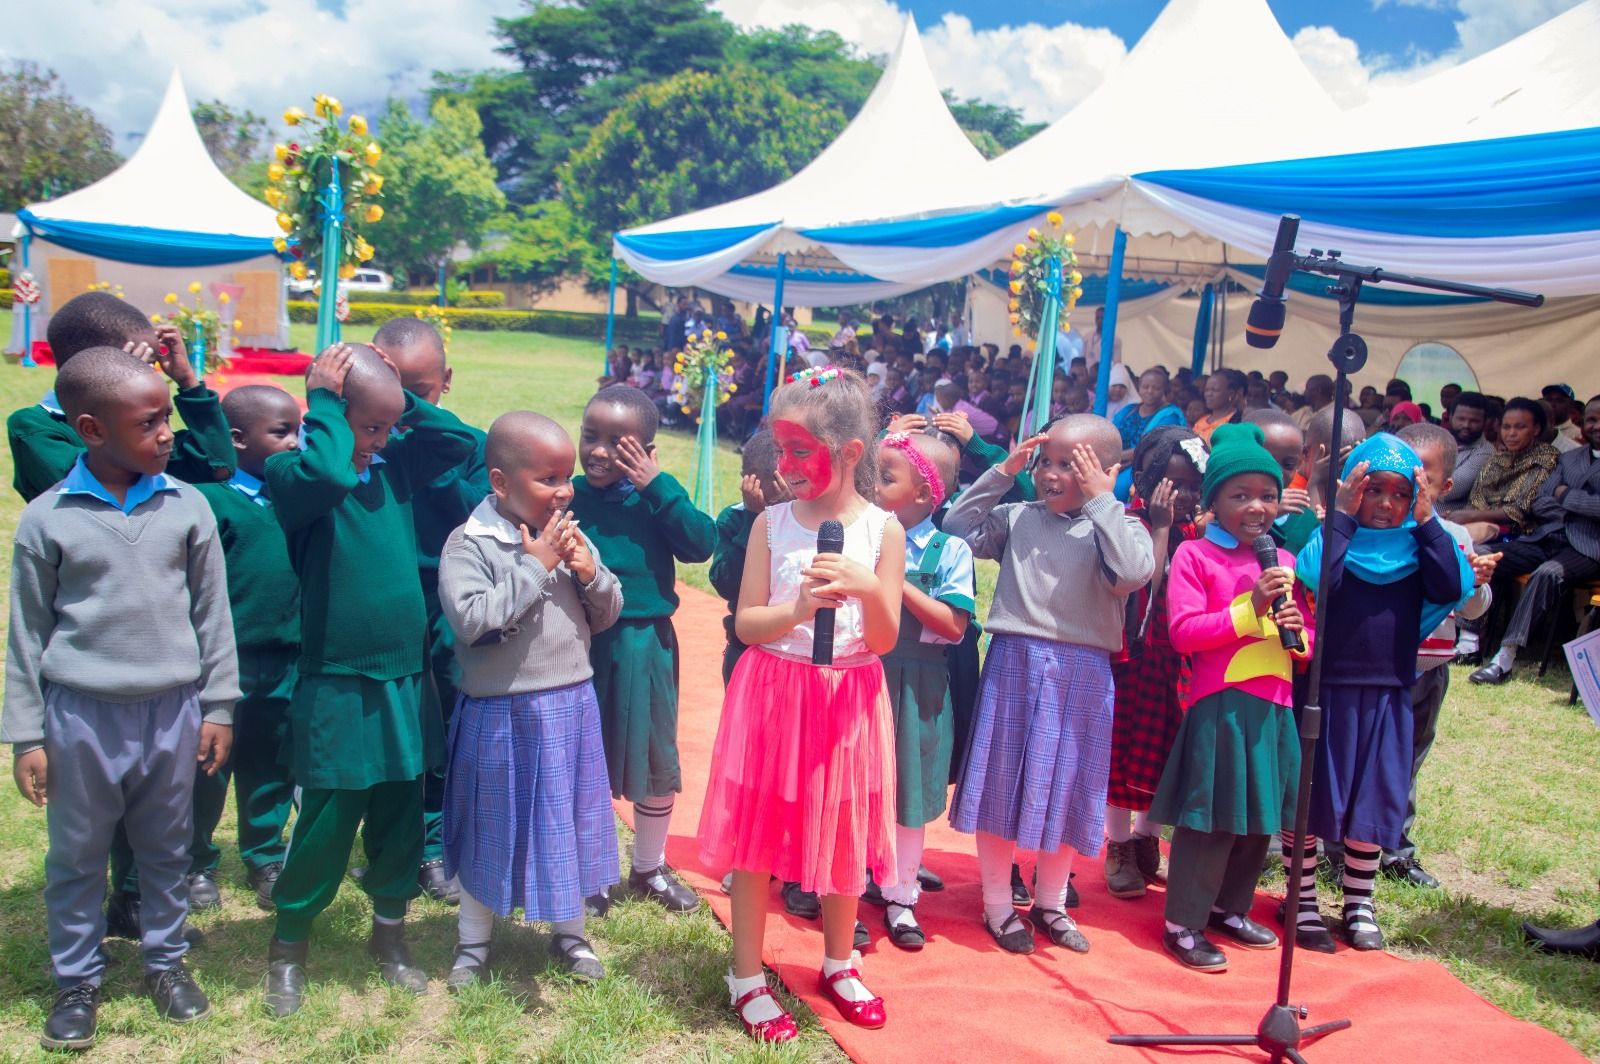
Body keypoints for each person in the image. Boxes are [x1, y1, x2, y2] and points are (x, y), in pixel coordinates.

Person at [5, 347, 239, 1051]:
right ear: (92, 430)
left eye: (166, 416)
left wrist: (220, 705)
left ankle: (166, 962)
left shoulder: (186, 505)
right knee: (76, 855)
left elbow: (213, 614)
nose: (167, 433)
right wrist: (27, 735)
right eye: (149, 422)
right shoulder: (49, 520)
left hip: (172, 712)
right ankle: (76, 979)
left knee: (165, 850)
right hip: (82, 716)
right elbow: (26, 634)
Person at [261, 344, 478, 1016]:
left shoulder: (398, 470)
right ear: (326, 415)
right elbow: (327, 473)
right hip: (337, 683)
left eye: (388, 428)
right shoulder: (293, 474)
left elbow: (462, 441)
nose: (378, 441)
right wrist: (325, 402)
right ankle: (289, 946)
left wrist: (395, 400)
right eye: (368, 426)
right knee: (327, 820)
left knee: (399, 814)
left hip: (406, 681)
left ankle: (389, 935)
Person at [697, 365, 905, 1042]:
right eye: (779, 450)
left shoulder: (884, 532)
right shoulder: (772, 526)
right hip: (775, 694)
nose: (782, 465)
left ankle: (840, 963)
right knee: (756, 839)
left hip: (850, 699)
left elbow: (884, 638)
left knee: (844, 832)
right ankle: (747, 977)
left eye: (798, 451)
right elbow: (746, 626)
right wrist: (795, 608)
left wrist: (866, 586)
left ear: (848, 453)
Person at [946, 415, 1155, 956]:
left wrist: (1104, 502)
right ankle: (997, 904)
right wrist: (1002, 471)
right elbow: (955, 526)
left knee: (1069, 789)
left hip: (1085, 675)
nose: (1053, 475)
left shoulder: (1121, 529)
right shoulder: (1019, 517)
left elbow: (1132, 573)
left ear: (1107, 472)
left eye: (1073, 464)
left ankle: (1052, 901)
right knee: (1000, 783)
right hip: (1016, 662)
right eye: (1047, 462)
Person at [437, 411, 623, 988]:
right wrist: (537, 564)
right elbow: (472, 619)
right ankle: (472, 944)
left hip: (570, 707)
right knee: (490, 825)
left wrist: (588, 571)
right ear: (500, 482)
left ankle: (570, 934)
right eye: (548, 478)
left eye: (565, 477)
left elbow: (608, 610)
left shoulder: (568, 534)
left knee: (564, 822)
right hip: (500, 712)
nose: (564, 490)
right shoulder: (470, 544)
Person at [1288, 434, 1470, 953]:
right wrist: (1341, 516)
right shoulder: (1335, 537)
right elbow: (1315, 573)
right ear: (1354, 492)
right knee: (1308, 798)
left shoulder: (1420, 545)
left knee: (1370, 800)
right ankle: (1301, 900)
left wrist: (1430, 520)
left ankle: (1358, 903)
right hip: (1326, 692)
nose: (1386, 504)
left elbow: (1450, 585)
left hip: (1389, 692)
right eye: (1373, 491)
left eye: (1399, 493)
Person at [1148, 424, 1311, 970]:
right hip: (1221, 709)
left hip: (1275, 708)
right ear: (1214, 500)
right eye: (1240, 496)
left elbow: (1303, 645)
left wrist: (1298, 631)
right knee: (1212, 818)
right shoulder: (1195, 556)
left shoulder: (1284, 563)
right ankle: (1182, 922)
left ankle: (1228, 907)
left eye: (1267, 495)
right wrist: (1250, 608)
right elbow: (1185, 633)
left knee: (1260, 818)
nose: (1257, 508)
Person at [571, 385, 717, 913]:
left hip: (644, 643)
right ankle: (589, 871)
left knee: (655, 756)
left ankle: (649, 868)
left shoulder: (657, 496)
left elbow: (701, 544)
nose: (600, 452)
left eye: (619, 443)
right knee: (586, 756)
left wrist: (657, 487)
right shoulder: (569, 496)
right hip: (580, 645)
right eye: (591, 436)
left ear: (647, 450)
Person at [374, 316, 491, 904]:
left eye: (415, 393)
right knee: (388, 720)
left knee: (443, 719)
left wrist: (418, 425)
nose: (400, 407)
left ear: (445, 381)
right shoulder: (363, 441)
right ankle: (386, 830)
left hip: (448, 601)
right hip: (381, 602)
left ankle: (434, 840)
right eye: (391, 389)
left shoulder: (465, 442)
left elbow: (479, 511)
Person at [191, 387, 303, 912]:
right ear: (237, 440)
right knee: (208, 765)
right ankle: (194, 861)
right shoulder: (211, 503)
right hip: (223, 662)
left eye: (298, 430)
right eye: (282, 432)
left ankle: (265, 854)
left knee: (271, 762)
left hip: (286, 659)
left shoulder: (296, 501)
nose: (296, 442)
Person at [865, 431, 974, 950]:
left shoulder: (949, 549)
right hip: (865, 672)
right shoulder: (859, 534)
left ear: (925, 495)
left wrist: (895, 580)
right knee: (860, 781)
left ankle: (902, 894)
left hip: (919, 684)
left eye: (885, 478)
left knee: (908, 788)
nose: (872, 484)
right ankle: (855, 877)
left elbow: (954, 625)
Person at [1385, 423, 1496, 888]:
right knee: (1362, 755)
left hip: (1427, 670)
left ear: (1447, 486)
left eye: (1424, 472)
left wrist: (1478, 583)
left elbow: (1470, 607)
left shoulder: (1454, 537)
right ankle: (1339, 844)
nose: (1414, 480)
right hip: (1376, 668)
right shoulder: (1381, 530)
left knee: (1407, 758)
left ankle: (1395, 849)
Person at [1104, 427, 1207, 901]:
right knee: (1122, 752)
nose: (1182, 494)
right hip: (1133, 658)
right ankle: (1119, 845)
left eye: (1191, 485)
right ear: (1145, 480)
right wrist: (1163, 527)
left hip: (1176, 660)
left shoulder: (1199, 531)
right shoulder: (1133, 523)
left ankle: (1148, 836)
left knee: (1163, 751)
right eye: (1171, 482)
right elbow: (1144, 575)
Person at [8, 291, 237, 503]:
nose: (149, 376)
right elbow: (102, 489)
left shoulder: (149, 433)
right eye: (142, 364)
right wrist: (117, 397)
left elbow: (217, 466)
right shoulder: (34, 428)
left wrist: (188, 382)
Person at [1469, 394, 1600, 685]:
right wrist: (1578, 505)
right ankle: (1467, 639)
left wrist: (1566, 496)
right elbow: (1540, 502)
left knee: (1547, 574)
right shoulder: (1570, 458)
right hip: (1547, 536)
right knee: (1481, 554)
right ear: (1583, 424)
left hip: (1590, 546)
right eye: (1591, 419)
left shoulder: (1556, 459)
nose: (1597, 425)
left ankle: (1505, 659)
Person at [1440, 396, 1560, 543]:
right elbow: (1477, 497)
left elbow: (1519, 509)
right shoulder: (1498, 458)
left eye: (1520, 427)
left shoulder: (1545, 457)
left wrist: (1471, 516)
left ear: (1536, 429)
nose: (1511, 434)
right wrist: (1460, 516)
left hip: (1521, 534)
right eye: (1506, 427)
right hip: (1479, 525)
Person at [1113, 368, 1187, 489]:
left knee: (1117, 489)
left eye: (1156, 388)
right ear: (1138, 388)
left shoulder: (1170, 415)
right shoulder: (1128, 410)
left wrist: (1118, 456)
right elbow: (1110, 432)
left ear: (1164, 390)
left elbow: (1151, 447)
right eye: (1145, 387)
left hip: (1142, 466)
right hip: (1115, 460)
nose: (1150, 391)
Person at [1441, 392, 1495, 506]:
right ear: (1450, 417)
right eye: (1461, 419)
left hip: (1445, 521)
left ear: (1485, 422)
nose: (1466, 425)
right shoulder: (1438, 441)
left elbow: (1448, 491)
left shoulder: (1485, 452)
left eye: (1474, 421)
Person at [1194, 369, 1245, 444]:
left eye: (1215, 390)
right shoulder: (1201, 421)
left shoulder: (1237, 421)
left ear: (1231, 393)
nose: (1209, 394)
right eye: (1206, 390)